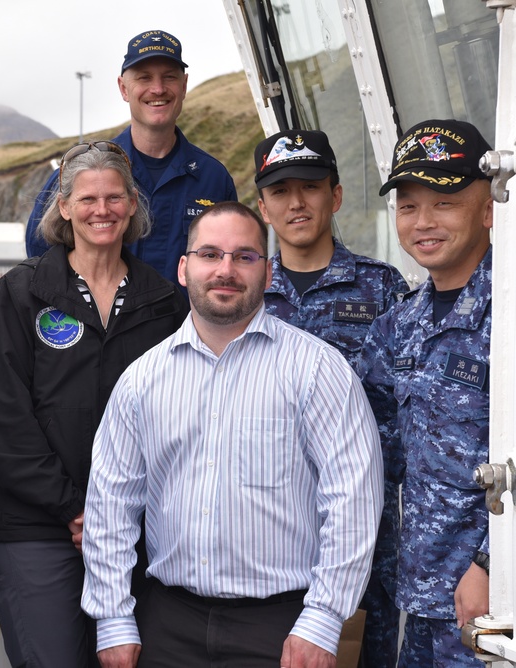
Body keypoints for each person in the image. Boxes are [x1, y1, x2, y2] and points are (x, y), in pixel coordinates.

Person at [82, 201, 383, 668]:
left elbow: (353, 500)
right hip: (166, 625)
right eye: (209, 254)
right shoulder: (141, 381)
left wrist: (323, 619)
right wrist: (113, 618)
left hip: (282, 629)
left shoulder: (318, 370)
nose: (226, 270)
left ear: (268, 273)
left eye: (245, 256)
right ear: (184, 269)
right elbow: (110, 505)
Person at [0, 141, 188, 668]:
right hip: (40, 530)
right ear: (65, 206)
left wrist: (116, 516)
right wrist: (76, 508)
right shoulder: (24, 292)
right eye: (88, 198)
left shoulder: (163, 302)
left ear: (133, 204)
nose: (102, 210)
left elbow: (173, 419)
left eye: (115, 197)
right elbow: (5, 418)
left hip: (138, 535)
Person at [254, 129, 409, 666]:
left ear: (335, 195)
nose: (296, 202)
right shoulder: (242, 293)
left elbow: (406, 412)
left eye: (311, 187)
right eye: (280, 191)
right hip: (266, 532)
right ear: (263, 207)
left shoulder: (382, 288)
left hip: (362, 532)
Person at [359, 119, 494, 667]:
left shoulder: (506, 316)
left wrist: (491, 564)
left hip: (493, 607)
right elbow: (371, 453)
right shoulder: (397, 326)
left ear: (489, 208)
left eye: (444, 202)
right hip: (420, 600)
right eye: (408, 206)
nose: (423, 222)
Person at [25, 29, 238, 284]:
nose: (157, 89)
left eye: (168, 77)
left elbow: (232, 259)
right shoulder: (80, 171)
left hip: (190, 324)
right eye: (144, 78)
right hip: (103, 324)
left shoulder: (213, 178)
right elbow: (40, 259)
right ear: (123, 88)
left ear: (183, 86)